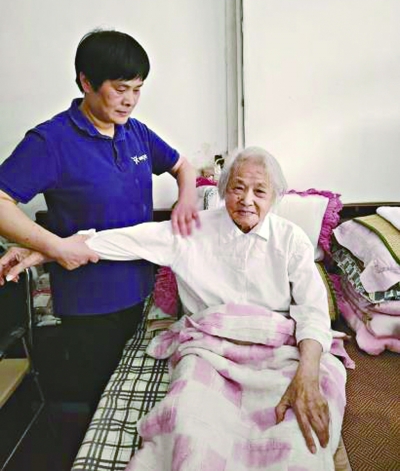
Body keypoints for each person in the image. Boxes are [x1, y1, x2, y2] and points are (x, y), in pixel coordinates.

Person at [0, 147, 347, 469]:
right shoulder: (190, 231)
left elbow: (313, 310)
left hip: (277, 349)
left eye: (259, 191)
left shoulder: (291, 239)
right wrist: (49, 249)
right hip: (209, 350)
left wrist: (307, 373)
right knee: (189, 427)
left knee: (299, 434)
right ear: (223, 190)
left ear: (274, 197)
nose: (246, 200)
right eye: (238, 188)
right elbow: (125, 239)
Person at [0, 29, 199, 407]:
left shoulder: (135, 133)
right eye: (120, 89)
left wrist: (186, 198)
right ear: (86, 82)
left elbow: (183, 166)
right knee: (102, 399)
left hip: (142, 289)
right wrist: (55, 247)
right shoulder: (51, 141)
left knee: (141, 393)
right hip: (90, 302)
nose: (130, 101)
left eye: (137, 89)